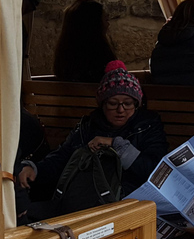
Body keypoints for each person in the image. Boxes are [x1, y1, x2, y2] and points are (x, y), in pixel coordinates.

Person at [18, 61, 167, 218]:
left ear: (137, 104)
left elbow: (155, 171)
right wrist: (34, 169)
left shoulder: (147, 126)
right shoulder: (88, 127)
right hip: (82, 199)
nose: (120, 110)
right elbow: (62, 158)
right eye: (112, 103)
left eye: (128, 104)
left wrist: (116, 145)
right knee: (25, 216)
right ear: (102, 104)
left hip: (125, 203)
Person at [53, 0, 117, 83]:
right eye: (105, 19)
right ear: (95, 25)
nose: (108, 24)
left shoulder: (64, 59)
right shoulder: (102, 58)